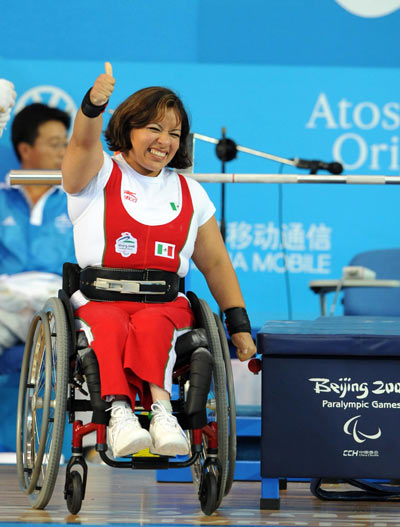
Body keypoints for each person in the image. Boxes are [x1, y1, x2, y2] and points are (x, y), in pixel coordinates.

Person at [62, 62, 257, 459]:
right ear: (128, 128)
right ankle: (117, 415)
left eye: (174, 133)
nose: (164, 140)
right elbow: (82, 146)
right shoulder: (97, 175)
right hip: (99, 299)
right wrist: (92, 106)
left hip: (164, 302)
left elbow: (216, 264)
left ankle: (163, 412)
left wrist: (238, 325)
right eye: (154, 128)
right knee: (111, 324)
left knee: (155, 322)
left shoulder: (191, 192)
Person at [0, 103, 76, 354]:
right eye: (55, 144)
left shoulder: (76, 201)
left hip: (55, 302)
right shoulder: (2, 197)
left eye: (66, 144)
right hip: (5, 300)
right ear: (25, 149)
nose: (63, 152)